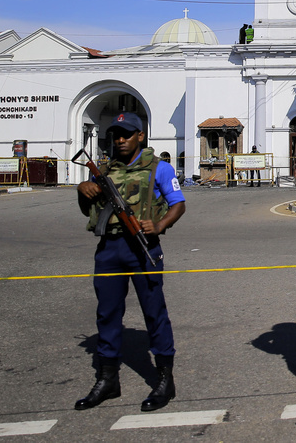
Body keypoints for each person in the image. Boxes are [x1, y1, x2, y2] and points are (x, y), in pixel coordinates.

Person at [74, 112, 186, 412]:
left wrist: (159, 226)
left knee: (154, 312)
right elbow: (90, 208)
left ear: (140, 136)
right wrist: (82, 191)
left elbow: (178, 204)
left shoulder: (158, 169)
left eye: (126, 134)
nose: (120, 139)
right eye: (116, 134)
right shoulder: (103, 169)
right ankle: (108, 379)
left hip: (142, 248)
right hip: (109, 249)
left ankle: (164, 379)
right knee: (107, 314)